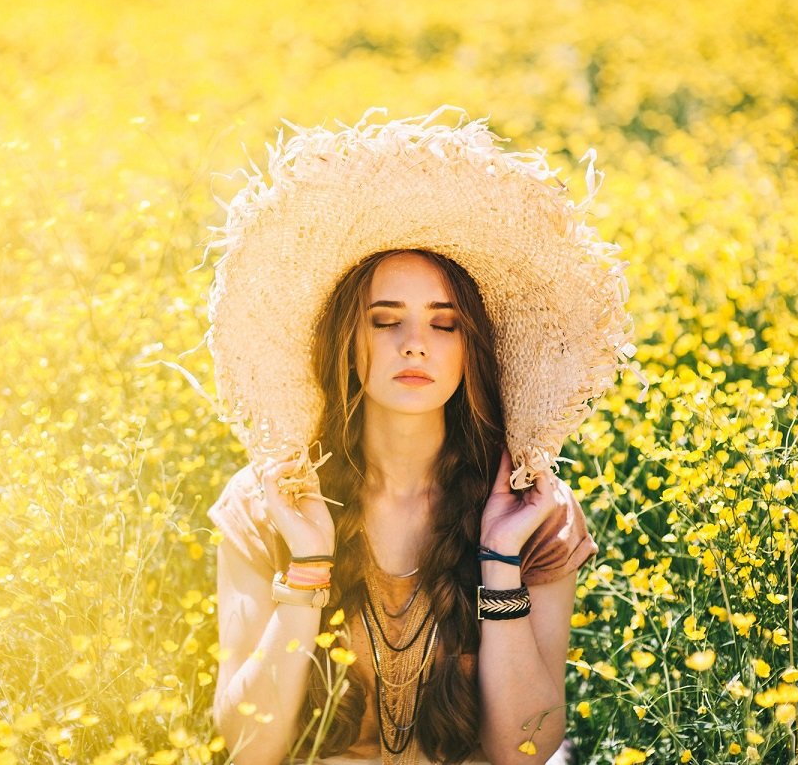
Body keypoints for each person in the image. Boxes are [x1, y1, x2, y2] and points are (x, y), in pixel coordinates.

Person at [204, 107, 641, 765]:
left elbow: (524, 751)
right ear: (345, 341)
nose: (415, 345)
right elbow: (247, 746)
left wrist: (499, 557)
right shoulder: (265, 505)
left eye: (444, 324)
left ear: (474, 349)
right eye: (386, 321)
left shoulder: (533, 513)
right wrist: (306, 564)